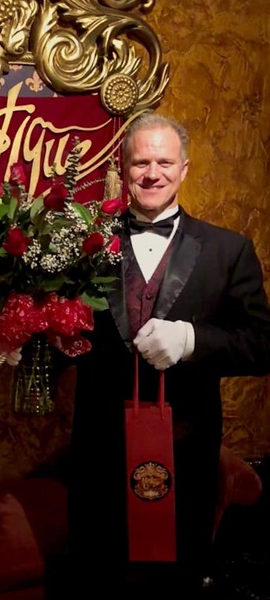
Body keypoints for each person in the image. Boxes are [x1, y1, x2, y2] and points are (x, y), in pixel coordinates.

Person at [66, 112, 270, 598]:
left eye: (164, 162)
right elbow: (68, 334)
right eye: (141, 162)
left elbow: (262, 345)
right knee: (98, 580)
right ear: (123, 168)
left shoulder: (229, 250)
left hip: (186, 454)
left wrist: (192, 340)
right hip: (99, 454)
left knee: (173, 585)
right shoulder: (82, 244)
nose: (152, 173)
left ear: (184, 169)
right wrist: (33, 344)